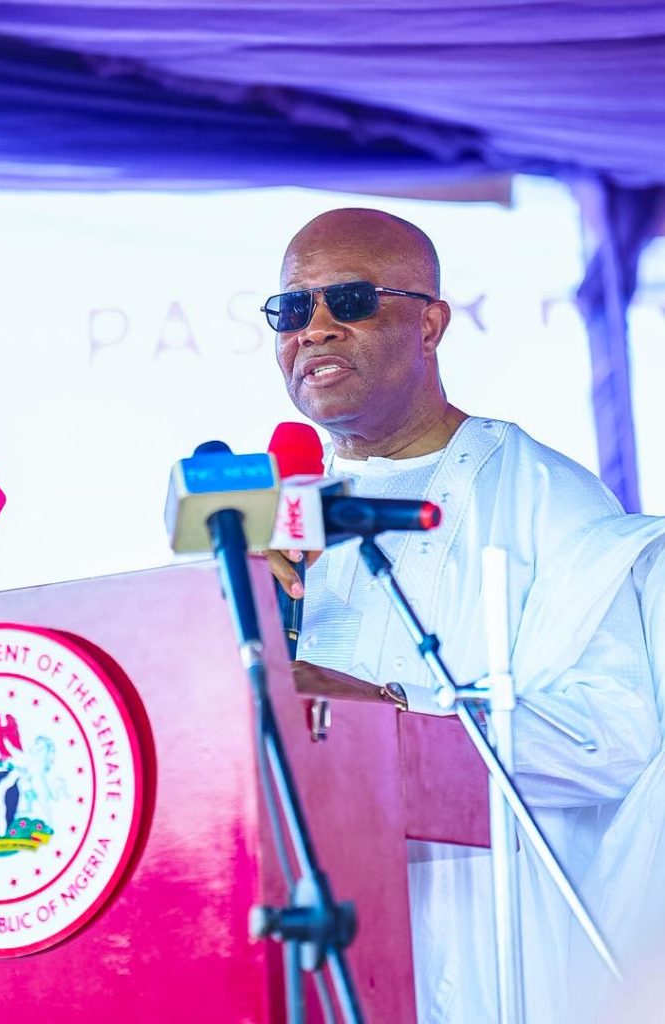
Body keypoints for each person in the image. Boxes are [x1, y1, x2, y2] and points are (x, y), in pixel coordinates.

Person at [261, 207, 665, 1023]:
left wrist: (396, 714)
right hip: (310, 946)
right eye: (293, 309)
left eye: (350, 300)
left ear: (431, 324)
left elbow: (616, 737)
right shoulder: (270, 516)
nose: (316, 329)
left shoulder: (541, 496)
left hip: (483, 950)